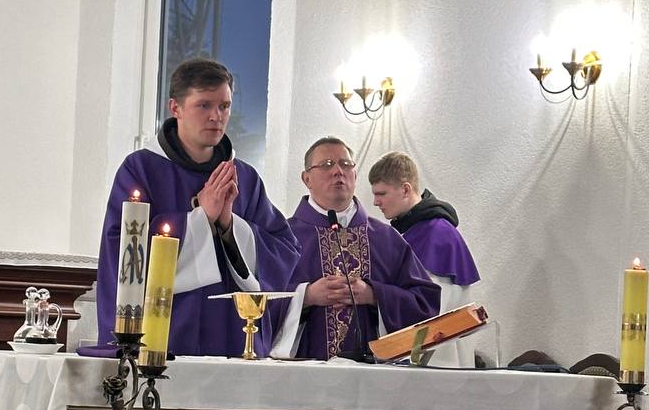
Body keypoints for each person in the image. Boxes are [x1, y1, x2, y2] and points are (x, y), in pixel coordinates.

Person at [95, 58, 299, 357]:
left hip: (232, 338)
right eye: (204, 105)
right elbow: (122, 251)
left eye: (224, 106)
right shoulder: (141, 169)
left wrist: (230, 226)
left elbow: (284, 250)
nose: (217, 116)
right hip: (164, 335)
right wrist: (200, 218)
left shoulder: (244, 177)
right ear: (175, 108)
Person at [270, 137, 441, 360]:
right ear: (307, 178)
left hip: (373, 374)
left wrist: (375, 295)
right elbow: (254, 304)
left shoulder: (387, 238)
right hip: (302, 373)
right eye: (327, 165)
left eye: (346, 164)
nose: (338, 171)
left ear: (355, 175)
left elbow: (425, 303)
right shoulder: (282, 238)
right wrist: (306, 296)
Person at [368, 151, 481, 365]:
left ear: (405, 189)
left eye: (381, 193)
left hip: (436, 359)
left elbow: (430, 310)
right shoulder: (412, 231)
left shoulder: (436, 234)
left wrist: (375, 295)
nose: (376, 202)